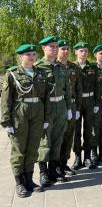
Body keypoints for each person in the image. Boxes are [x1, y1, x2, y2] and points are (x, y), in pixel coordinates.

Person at [1, 44, 47, 197]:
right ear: (21, 56)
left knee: (33, 147)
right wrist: (6, 122)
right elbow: (6, 99)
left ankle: (29, 179)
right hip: (20, 113)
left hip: (37, 112)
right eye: (28, 54)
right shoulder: (12, 73)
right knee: (19, 149)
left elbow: (45, 97)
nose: (32, 57)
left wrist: (45, 117)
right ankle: (19, 182)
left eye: (34, 54)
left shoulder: (40, 73)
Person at [36, 36, 72, 185]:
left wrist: (69, 108)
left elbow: (67, 90)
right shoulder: (38, 67)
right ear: (44, 48)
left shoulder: (61, 67)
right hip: (47, 109)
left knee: (58, 139)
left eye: (56, 46)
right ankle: (43, 172)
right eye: (52, 46)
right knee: (45, 141)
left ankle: (54, 170)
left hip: (61, 107)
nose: (55, 49)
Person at [72, 42, 100, 170]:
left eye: (85, 51)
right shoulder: (72, 67)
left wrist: (96, 103)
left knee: (89, 130)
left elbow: (97, 86)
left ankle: (87, 157)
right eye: (81, 50)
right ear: (76, 52)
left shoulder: (93, 67)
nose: (84, 53)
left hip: (89, 101)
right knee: (76, 131)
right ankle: (78, 157)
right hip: (77, 102)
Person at [57, 40, 82, 176]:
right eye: (63, 49)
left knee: (69, 136)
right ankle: (55, 167)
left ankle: (64, 164)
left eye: (67, 49)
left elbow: (79, 89)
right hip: (59, 106)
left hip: (72, 105)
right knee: (58, 136)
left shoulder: (74, 67)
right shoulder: (55, 66)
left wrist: (77, 108)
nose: (65, 52)